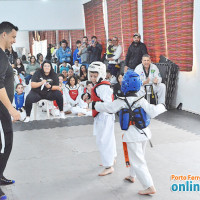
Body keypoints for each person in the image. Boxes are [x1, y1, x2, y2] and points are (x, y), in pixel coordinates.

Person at [94, 70, 166, 195]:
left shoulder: (121, 101)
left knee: (138, 161)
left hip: (133, 136)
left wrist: (95, 105)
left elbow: (108, 107)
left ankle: (149, 186)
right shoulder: (141, 100)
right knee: (138, 157)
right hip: (144, 133)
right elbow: (153, 111)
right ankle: (132, 176)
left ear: (125, 85)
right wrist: (162, 106)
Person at [0, 21, 20, 200]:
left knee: (7, 143)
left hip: (3, 109)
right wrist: (11, 109)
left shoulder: (4, 56)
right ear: (4, 34)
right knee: (2, 145)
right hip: (2, 108)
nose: (14, 40)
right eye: (13, 37)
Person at [88, 61, 117, 176]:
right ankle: (111, 158)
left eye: (95, 76)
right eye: (91, 75)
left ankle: (108, 165)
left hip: (104, 116)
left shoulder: (103, 86)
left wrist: (93, 104)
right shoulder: (100, 85)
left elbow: (108, 103)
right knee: (109, 138)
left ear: (101, 74)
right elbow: (99, 98)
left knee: (103, 140)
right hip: (104, 116)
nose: (93, 78)